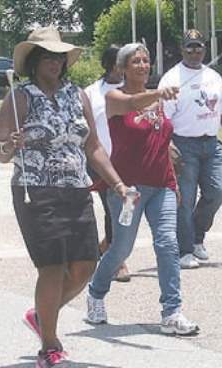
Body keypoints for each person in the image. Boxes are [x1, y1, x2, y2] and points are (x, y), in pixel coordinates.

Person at [0, 26, 129, 367]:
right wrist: (11, 145)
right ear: (34, 62)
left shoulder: (77, 95)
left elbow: (92, 145)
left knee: (85, 267)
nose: (54, 63)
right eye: (47, 57)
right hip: (36, 192)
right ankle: (49, 346)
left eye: (59, 57)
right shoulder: (20, 96)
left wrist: (117, 184)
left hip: (76, 188)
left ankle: (42, 315)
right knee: (52, 268)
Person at [86, 43, 199, 336]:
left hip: (161, 184)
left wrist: (173, 181)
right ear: (121, 68)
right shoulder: (113, 98)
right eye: (135, 61)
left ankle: (171, 312)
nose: (142, 65)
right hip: (128, 189)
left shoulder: (157, 100)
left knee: (167, 244)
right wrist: (158, 94)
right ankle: (96, 292)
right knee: (121, 247)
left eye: (146, 60)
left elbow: (159, 142)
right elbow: (132, 105)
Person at [158, 29, 222, 269]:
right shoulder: (171, 79)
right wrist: (168, 146)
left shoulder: (213, 77)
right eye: (190, 47)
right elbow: (163, 119)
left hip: (211, 143)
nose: (194, 51)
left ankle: (197, 237)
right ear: (181, 50)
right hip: (184, 144)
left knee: (217, 191)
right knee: (184, 200)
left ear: (204, 49)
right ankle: (185, 250)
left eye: (198, 47)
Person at [84, 45, 130, 282]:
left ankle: (103, 248)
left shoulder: (134, 90)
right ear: (113, 65)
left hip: (131, 161)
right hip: (102, 161)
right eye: (125, 61)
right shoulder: (92, 92)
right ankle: (117, 259)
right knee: (114, 208)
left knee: (127, 210)